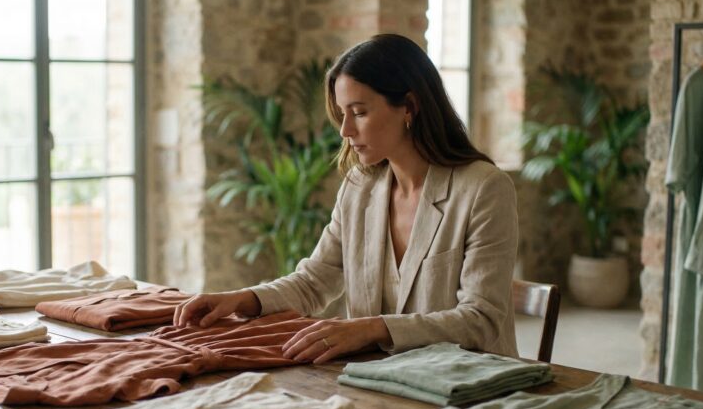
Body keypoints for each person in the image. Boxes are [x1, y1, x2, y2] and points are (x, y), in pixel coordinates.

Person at [173, 33, 518, 364]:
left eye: (360, 112)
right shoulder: (359, 187)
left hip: (471, 389)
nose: (345, 131)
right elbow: (314, 281)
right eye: (342, 113)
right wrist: (242, 299)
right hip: (382, 380)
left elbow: (480, 320)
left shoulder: (483, 188)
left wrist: (371, 329)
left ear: (409, 107)